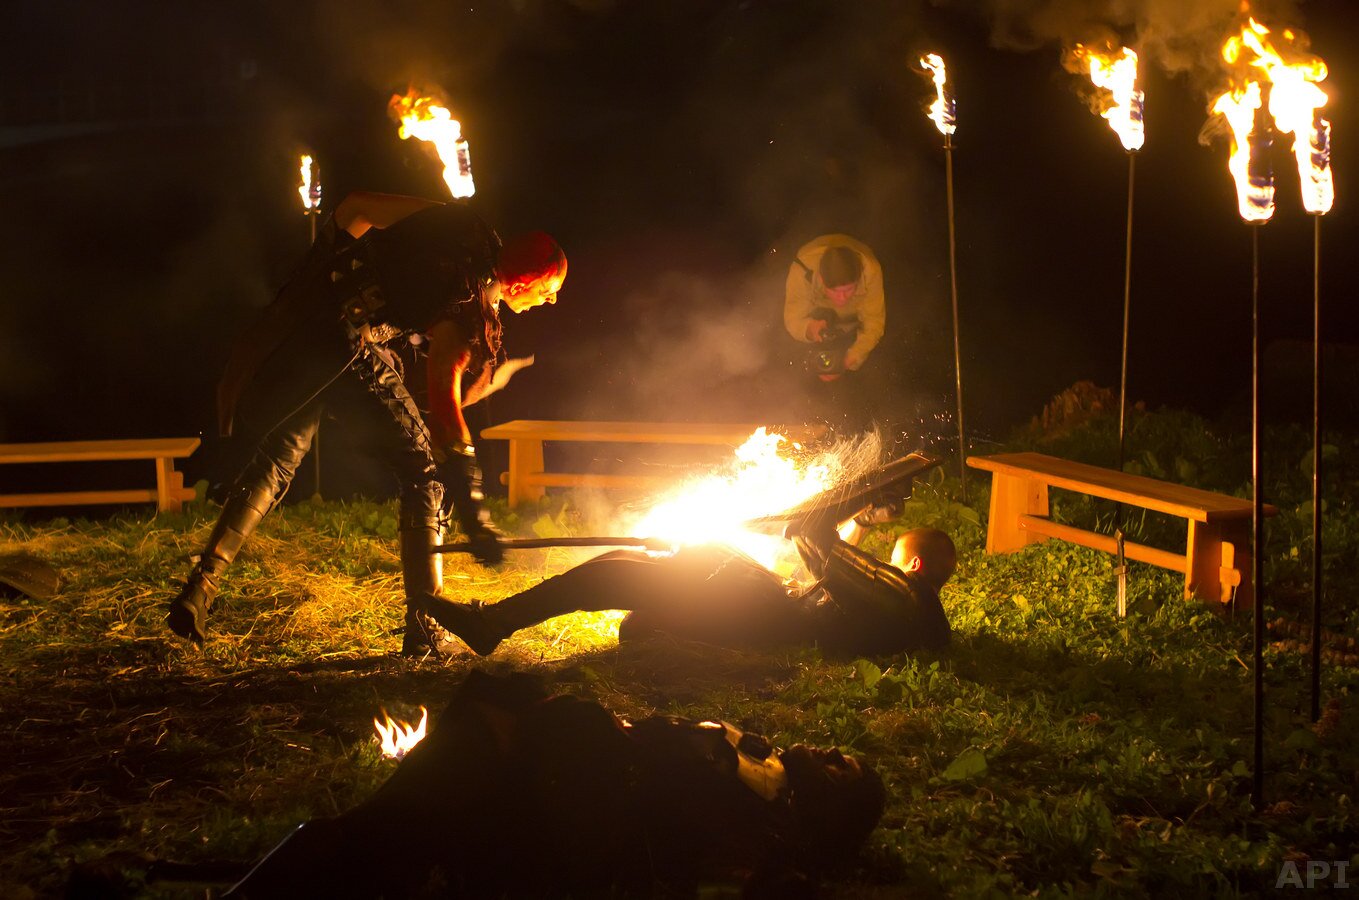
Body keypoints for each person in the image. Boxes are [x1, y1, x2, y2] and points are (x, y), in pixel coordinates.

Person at [166, 191, 566, 657]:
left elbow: (356, 208)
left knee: (277, 461)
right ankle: (425, 628)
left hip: (304, 333)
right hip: (348, 348)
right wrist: (475, 509)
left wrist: (318, 278)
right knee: (425, 472)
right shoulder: (467, 304)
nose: (552, 299)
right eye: (548, 288)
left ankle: (199, 589)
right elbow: (444, 400)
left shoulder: (460, 223)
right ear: (520, 284)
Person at [223, 669, 886, 898]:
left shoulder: (768, 830)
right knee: (394, 825)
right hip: (558, 761)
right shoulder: (764, 764)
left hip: (558, 810)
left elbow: (678, 858)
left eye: (841, 767)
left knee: (395, 827)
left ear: (832, 808)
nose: (830, 750)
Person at [421, 524, 956, 659]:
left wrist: (812, 519)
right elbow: (838, 576)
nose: (883, 563)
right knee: (631, 569)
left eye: (892, 556)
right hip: (768, 603)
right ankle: (660, 620)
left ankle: (492, 624)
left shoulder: (904, 594)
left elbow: (830, 557)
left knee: (613, 575)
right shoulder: (907, 603)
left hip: (765, 612)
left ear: (913, 564)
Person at [783, 234, 885, 382]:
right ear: (822, 279)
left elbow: (874, 322)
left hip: (853, 319)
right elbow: (792, 318)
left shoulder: (871, 271)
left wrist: (849, 360)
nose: (842, 298)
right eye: (835, 291)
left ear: (858, 279)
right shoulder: (802, 271)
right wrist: (810, 329)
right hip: (818, 315)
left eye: (849, 290)